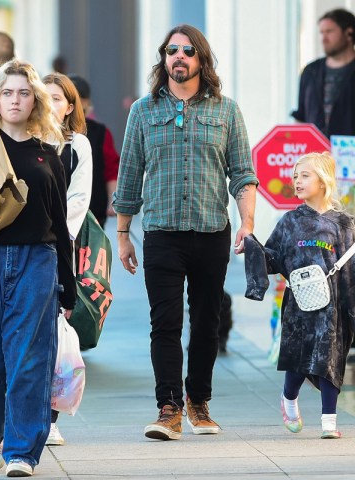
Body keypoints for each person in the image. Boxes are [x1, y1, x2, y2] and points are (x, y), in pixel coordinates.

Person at [112, 24, 258, 441]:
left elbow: (243, 174)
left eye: (188, 51)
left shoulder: (226, 110)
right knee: (166, 323)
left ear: (201, 60)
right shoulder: (143, 110)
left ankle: (199, 401)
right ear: (164, 59)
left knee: (207, 323)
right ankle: (169, 407)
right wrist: (123, 233)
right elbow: (129, 176)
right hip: (161, 233)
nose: (179, 57)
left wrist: (247, 223)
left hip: (212, 231)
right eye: (171, 50)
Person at [0, 59, 76, 477]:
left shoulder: (49, 155)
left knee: (30, 359)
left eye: (24, 93)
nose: (15, 100)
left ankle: (21, 451)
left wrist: (67, 289)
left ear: (35, 101)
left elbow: (61, 225)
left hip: (38, 260)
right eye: (8, 92)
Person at [244, 152, 355, 439]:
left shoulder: (343, 224)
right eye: (295, 176)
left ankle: (329, 421)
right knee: (299, 358)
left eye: (305, 175)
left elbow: (350, 268)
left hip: (332, 305)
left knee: (330, 358)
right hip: (299, 303)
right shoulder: (289, 222)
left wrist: (350, 306)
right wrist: (252, 248)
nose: (297, 181)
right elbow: (273, 259)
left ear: (323, 180)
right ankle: (289, 397)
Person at [43, 72, 93, 446]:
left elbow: (79, 200)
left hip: (61, 247)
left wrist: (56, 233)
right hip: (20, 245)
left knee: (57, 333)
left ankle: (51, 417)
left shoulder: (78, 146)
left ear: (70, 106)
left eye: (58, 98)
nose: (50, 103)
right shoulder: (21, 140)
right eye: (44, 97)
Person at [291, 9, 355, 138]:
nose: (324, 38)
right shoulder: (310, 72)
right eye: (321, 32)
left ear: (349, 33)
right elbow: (301, 118)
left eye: (329, 32)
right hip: (315, 154)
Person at [68, 74, 119, 228]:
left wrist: (113, 201)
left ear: (86, 102)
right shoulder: (47, 132)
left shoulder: (100, 132)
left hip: (93, 214)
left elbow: (111, 170)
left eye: (77, 98)